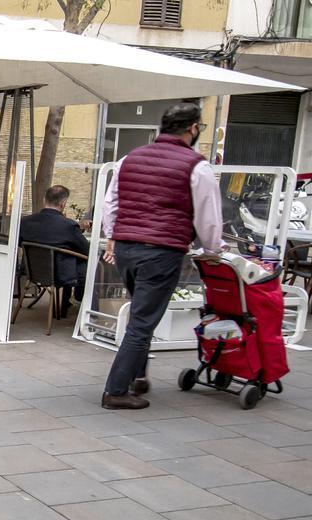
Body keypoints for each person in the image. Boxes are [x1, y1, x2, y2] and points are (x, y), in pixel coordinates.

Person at [99, 102, 224, 410]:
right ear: (193, 128)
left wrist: (113, 236)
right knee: (142, 322)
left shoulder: (130, 158)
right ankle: (115, 391)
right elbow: (209, 216)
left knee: (141, 313)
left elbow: (110, 203)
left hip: (127, 247)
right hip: (161, 251)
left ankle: (138, 377)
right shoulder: (197, 166)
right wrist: (212, 250)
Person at [20, 185, 90, 318]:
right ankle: (80, 301)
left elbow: (19, 243)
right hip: (60, 274)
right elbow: (85, 250)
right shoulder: (68, 225)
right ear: (63, 204)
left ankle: (67, 304)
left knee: (70, 259)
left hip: (32, 272)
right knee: (89, 265)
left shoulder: (25, 222)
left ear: (44, 200)